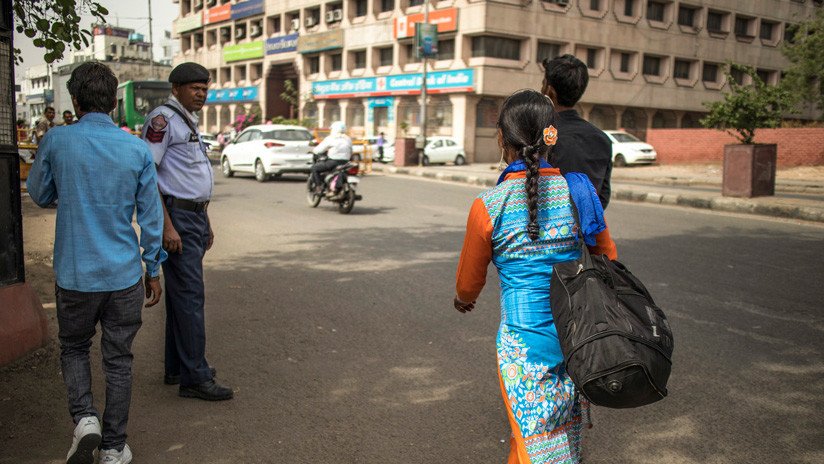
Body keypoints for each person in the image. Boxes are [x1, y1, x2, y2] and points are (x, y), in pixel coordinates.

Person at [453, 89, 617, 463]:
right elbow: (607, 257)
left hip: (523, 347)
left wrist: (464, 300)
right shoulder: (580, 192)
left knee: (531, 440)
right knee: (563, 437)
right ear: (551, 135)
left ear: (501, 138)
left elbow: (468, 283)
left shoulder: (488, 205)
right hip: (576, 339)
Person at [26, 62, 165, 464]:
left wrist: (70, 193)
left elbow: (38, 192)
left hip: (75, 275)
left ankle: (85, 419)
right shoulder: (136, 147)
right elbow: (151, 218)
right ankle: (112, 447)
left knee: (73, 347)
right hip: (123, 276)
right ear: (112, 101)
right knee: (118, 359)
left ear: (75, 100)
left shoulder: (57, 139)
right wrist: (152, 268)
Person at [141, 62, 233, 401]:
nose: (202, 94)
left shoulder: (184, 120)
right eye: (195, 88)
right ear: (176, 88)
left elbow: (190, 179)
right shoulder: (162, 121)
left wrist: (204, 219)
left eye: (205, 89)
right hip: (176, 219)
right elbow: (147, 175)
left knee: (183, 296)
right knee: (191, 296)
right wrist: (166, 224)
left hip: (191, 217)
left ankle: (178, 367)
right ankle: (195, 377)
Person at [541, 54, 613, 209]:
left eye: (542, 83)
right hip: (584, 231)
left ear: (549, 90)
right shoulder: (602, 139)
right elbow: (603, 197)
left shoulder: (540, 134)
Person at [310, 120, 352, 194]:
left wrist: (314, 151)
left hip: (333, 162)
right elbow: (351, 150)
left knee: (314, 168)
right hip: (346, 163)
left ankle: (318, 187)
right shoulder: (348, 139)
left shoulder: (331, 138)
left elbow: (319, 150)